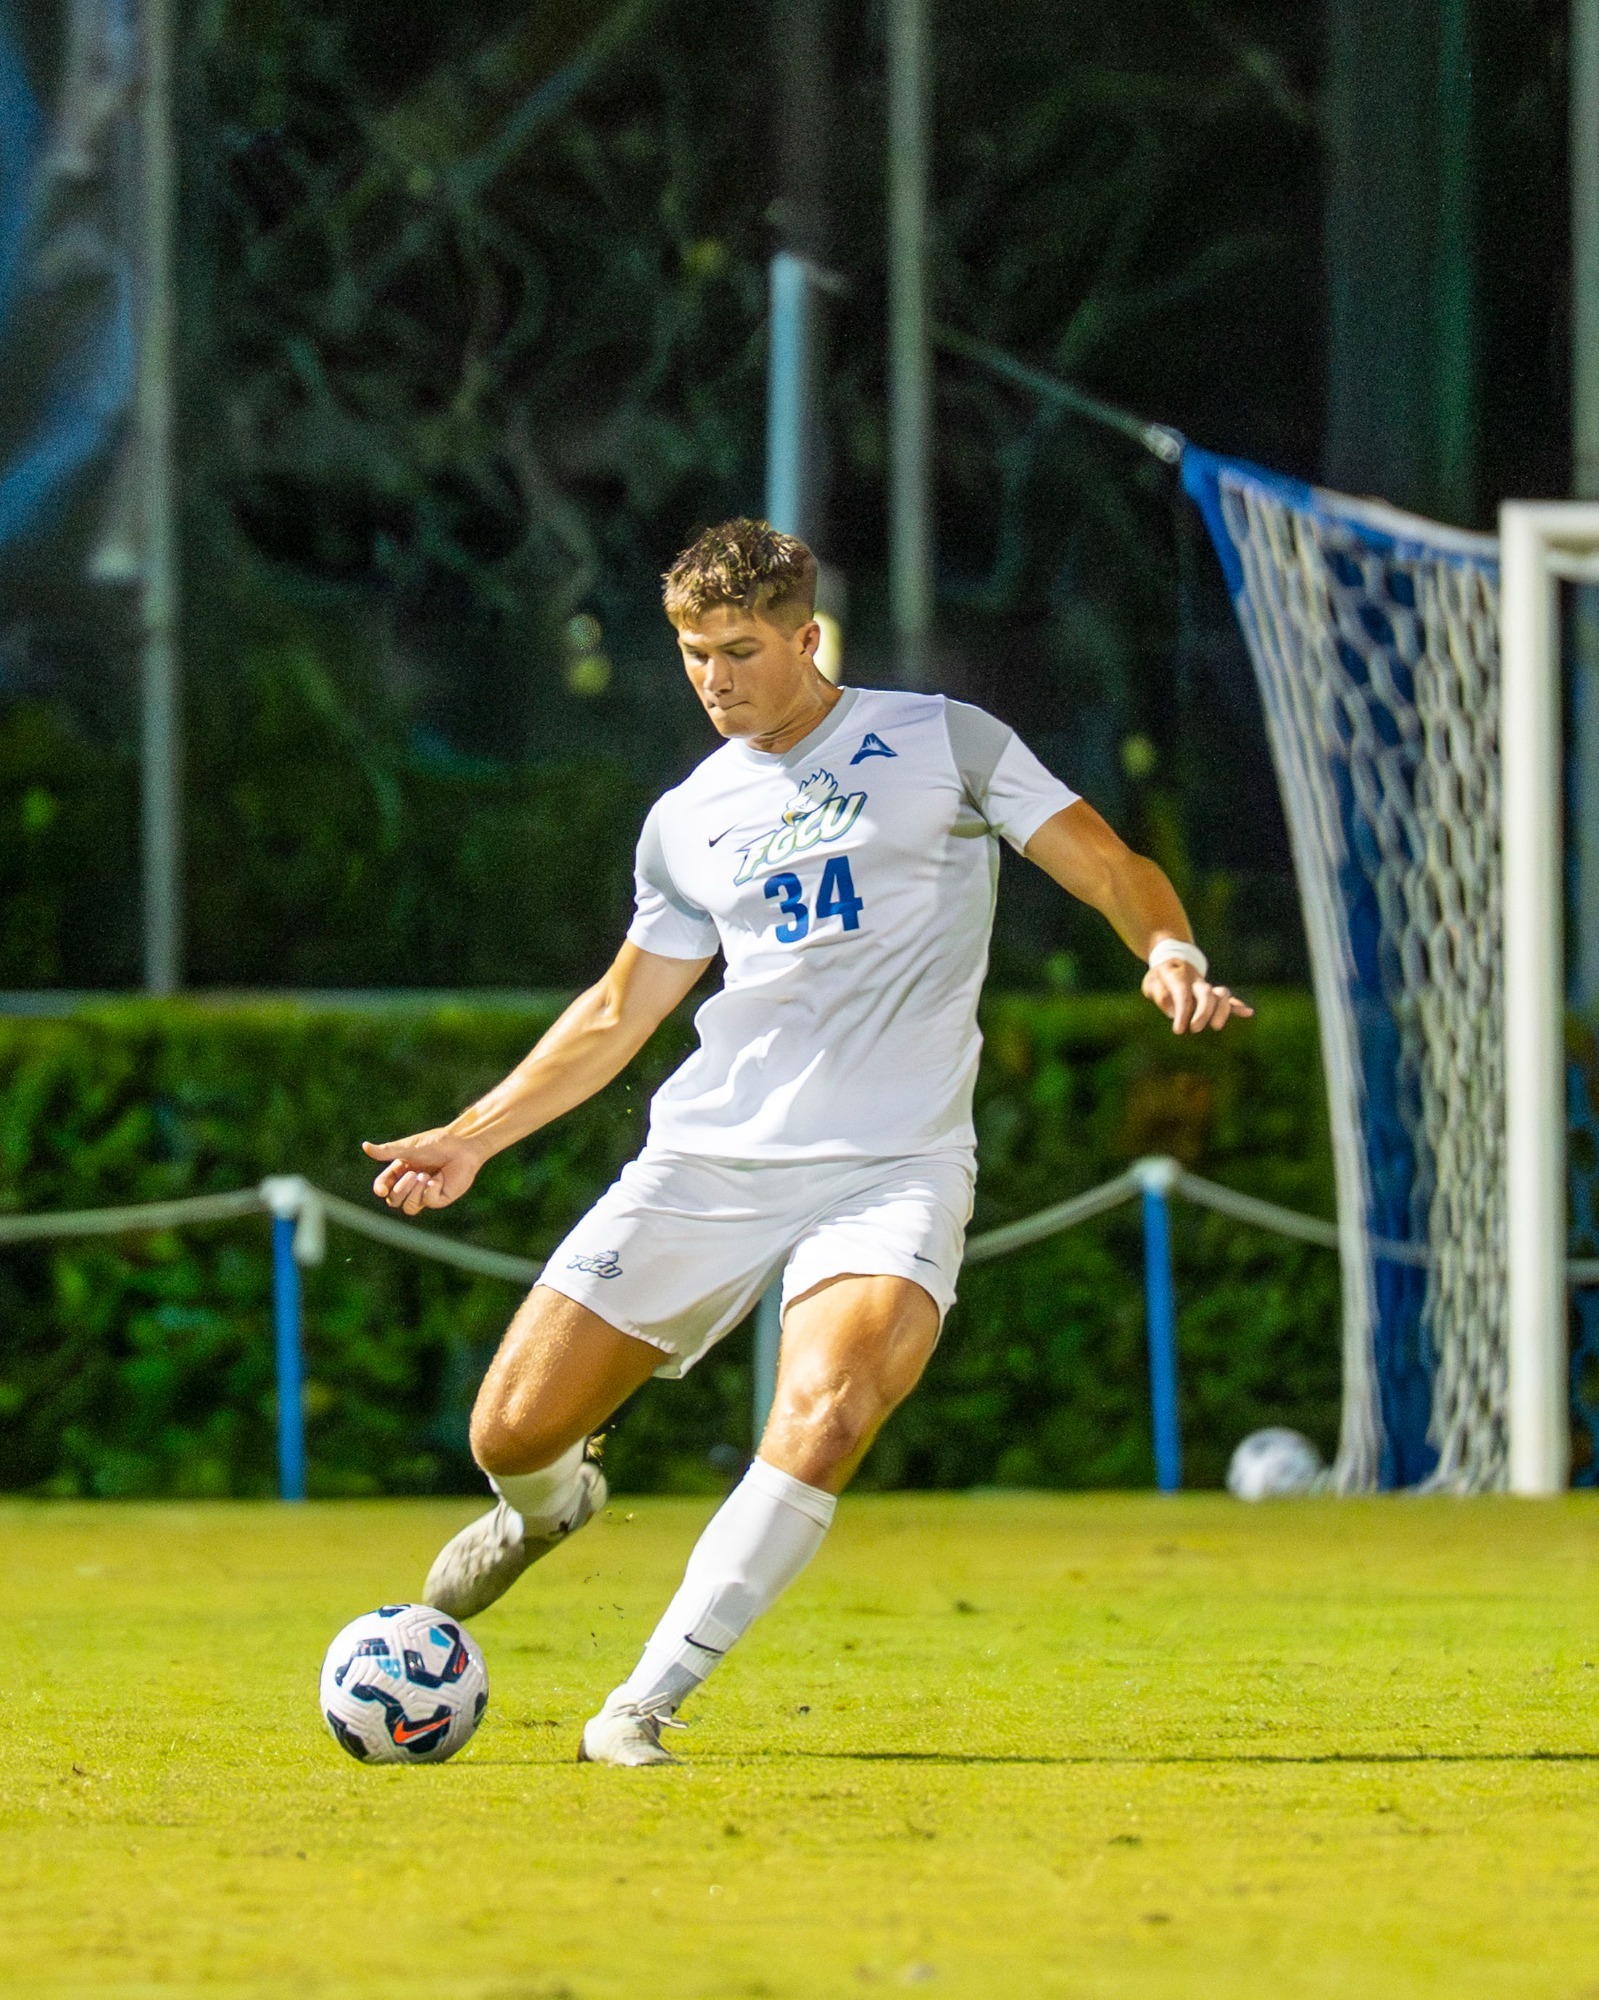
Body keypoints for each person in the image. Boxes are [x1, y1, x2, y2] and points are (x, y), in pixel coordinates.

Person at [363, 518, 1251, 1767]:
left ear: (806, 636)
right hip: (713, 1158)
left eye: (737, 649)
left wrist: (1170, 948)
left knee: (828, 1408)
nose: (713, 678)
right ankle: (551, 1507)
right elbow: (621, 1008)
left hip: (894, 1166)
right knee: (508, 1432)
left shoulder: (943, 741)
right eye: (689, 653)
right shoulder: (689, 817)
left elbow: (1111, 865)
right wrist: (472, 1135)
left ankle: (640, 1703)